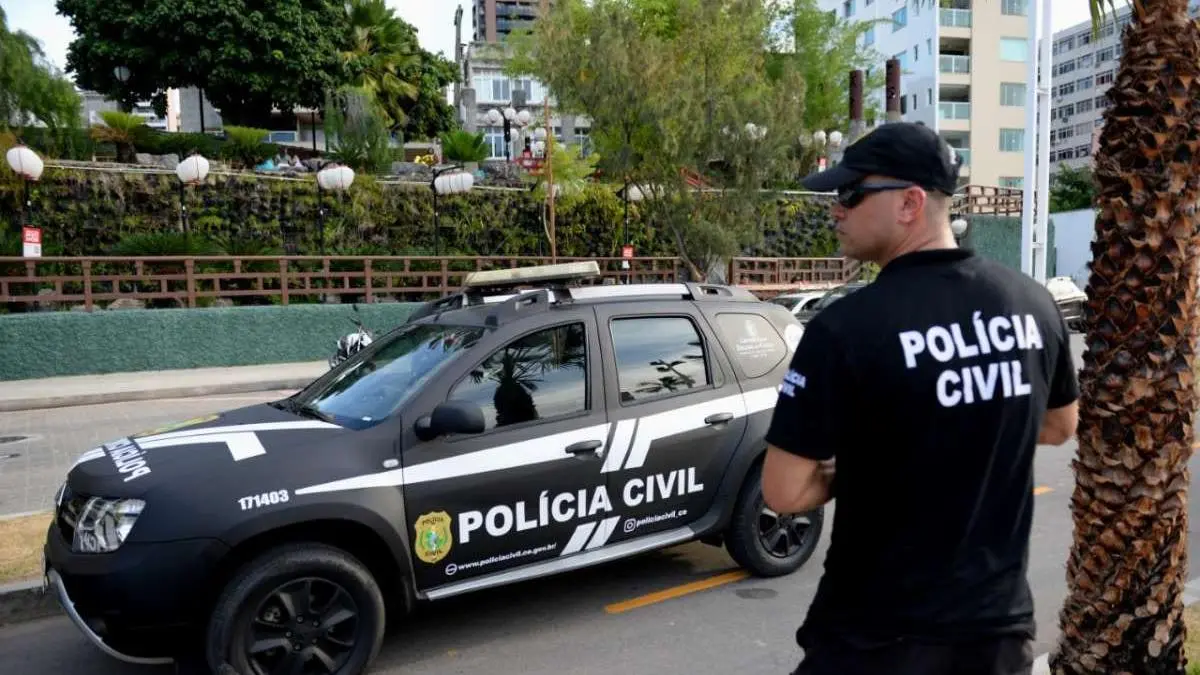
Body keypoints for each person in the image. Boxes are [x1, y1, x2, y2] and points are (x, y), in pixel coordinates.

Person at [762, 122, 1080, 675]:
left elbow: (786, 491)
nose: (836, 209)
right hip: (996, 634)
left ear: (910, 203)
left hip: (875, 636)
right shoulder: (1032, 303)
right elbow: (1058, 426)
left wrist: (859, 468)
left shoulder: (845, 328)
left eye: (851, 194)